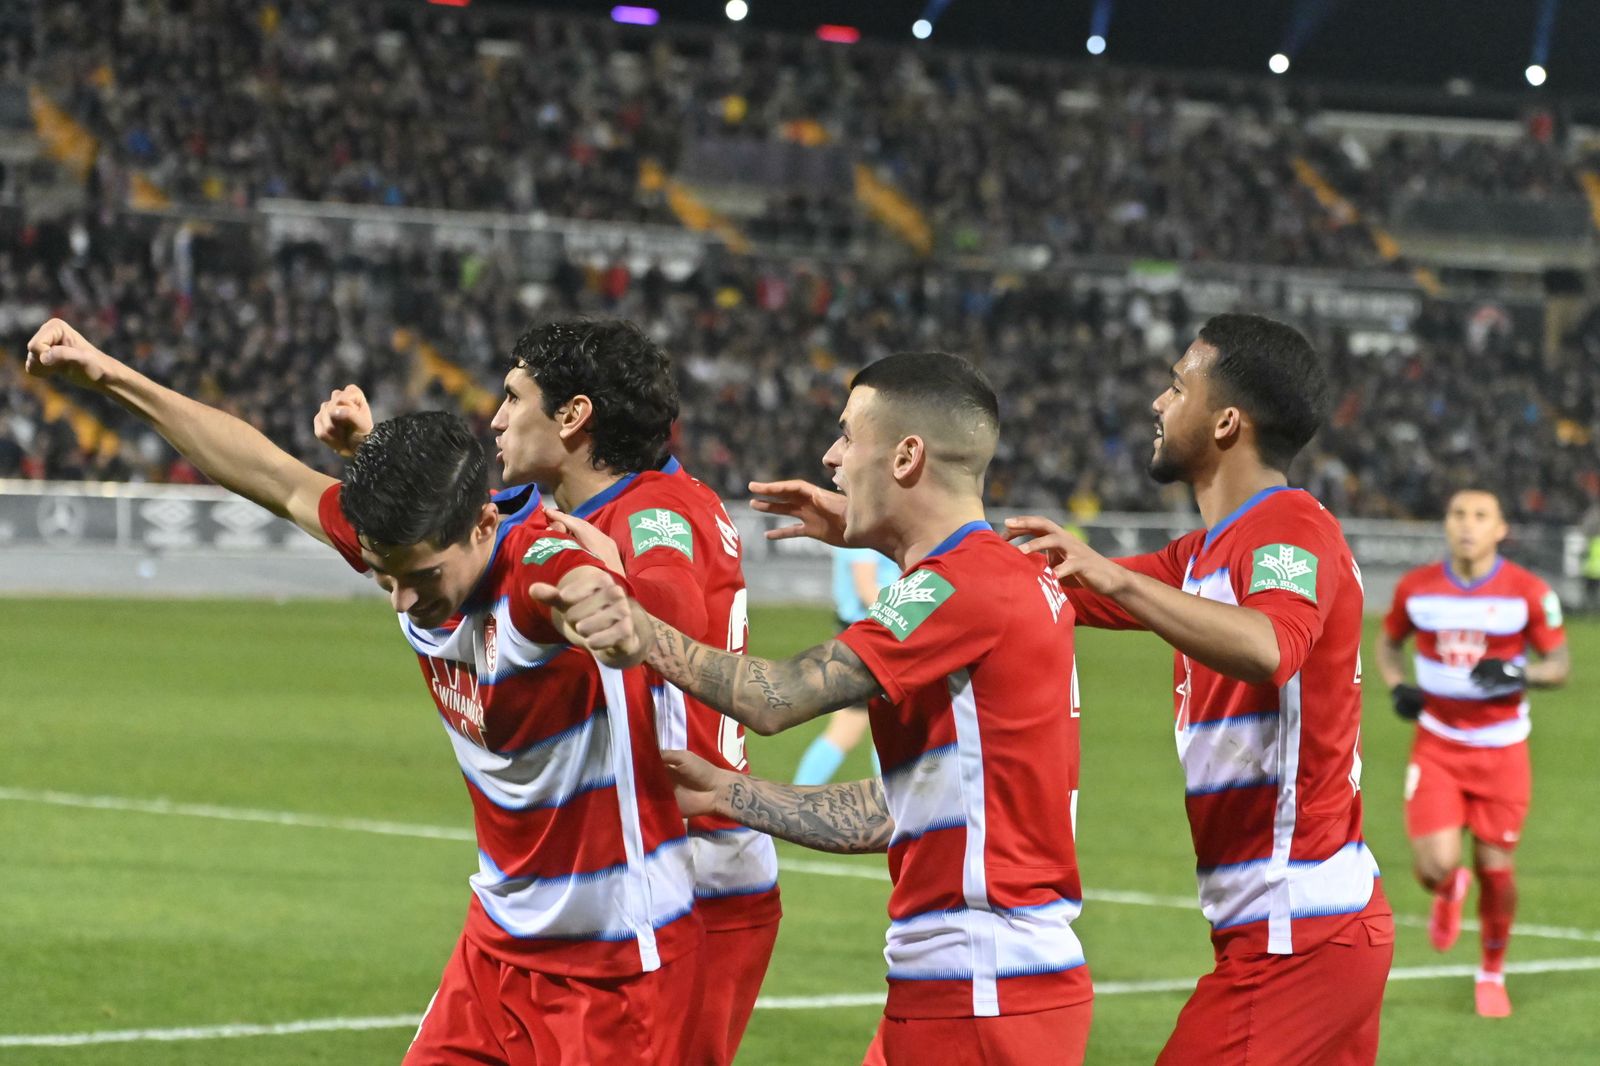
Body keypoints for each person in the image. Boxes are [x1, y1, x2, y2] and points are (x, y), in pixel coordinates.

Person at [24, 318, 702, 1065]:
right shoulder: (421, 540)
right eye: (387, 578)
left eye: (419, 580)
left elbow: (579, 584)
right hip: (497, 949)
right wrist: (107, 375)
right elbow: (267, 473)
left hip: (612, 973)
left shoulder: (540, 561)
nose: (405, 604)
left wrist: (607, 611)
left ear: (483, 526)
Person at [549, 352, 1094, 1065]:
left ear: (906, 456)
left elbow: (774, 698)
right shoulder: (1003, 576)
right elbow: (902, 809)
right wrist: (732, 793)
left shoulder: (964, 587)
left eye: (847, 435)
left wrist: (628, 618)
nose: (832, 458)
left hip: (983, 990)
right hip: (973, 982)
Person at [313, 319, 780, 1066]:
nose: (496, 416)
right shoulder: (561, 515)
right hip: (621, 865)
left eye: (513, 396)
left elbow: (672, 599)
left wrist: (621, 600)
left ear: (573, 416)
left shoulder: (654, 512)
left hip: (694, 867)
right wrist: (379, 458)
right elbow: (444, 518)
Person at [1002, 313, 1393, 1064]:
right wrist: (896, 531)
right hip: (1293, 930)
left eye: (1177, 385)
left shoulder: (1290, 527)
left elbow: (1270, 646)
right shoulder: (1205, 552)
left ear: (1225, 422)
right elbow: (1043, 589)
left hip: (1299, 933)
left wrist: (1116, 575)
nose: (1157, 402)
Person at [1377, 488, 1569, 1017]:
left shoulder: (1527, 592)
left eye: (1481, 516)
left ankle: (1491, 972)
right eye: (1458, 514)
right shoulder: (1417, 589)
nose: (1467, 525)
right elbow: (1388, 643)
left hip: (1502, 751)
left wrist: (1517, 672)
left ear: (1501, 529)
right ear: (1446, 523)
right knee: (1437, 864)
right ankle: (1445, 888)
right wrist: (1398, 686)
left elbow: (1559, 664)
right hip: (1437, 743)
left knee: (1496, 869)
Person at [791, 546, 899, 785]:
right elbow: (866, 589)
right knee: (880, 730)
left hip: (862, 639)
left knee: (853, 731)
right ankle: (896, 807)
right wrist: (914, 614)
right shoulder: (863, 536)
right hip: (870, 642)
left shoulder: (863, 527)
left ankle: (795, 802)